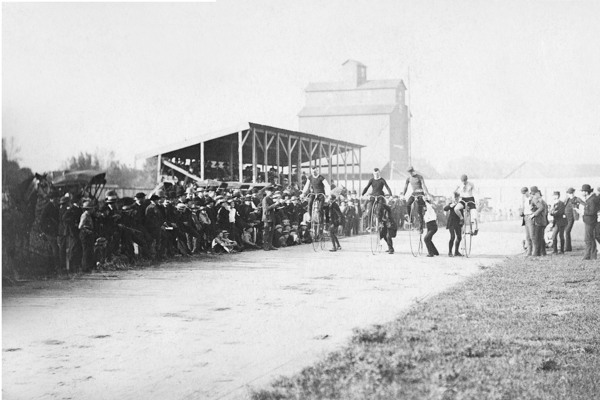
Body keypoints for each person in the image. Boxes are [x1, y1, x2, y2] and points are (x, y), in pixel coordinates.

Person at [402, 166, 430, 231]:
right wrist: (403, 195)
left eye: (411, 172)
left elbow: (424, 185)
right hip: (414, 193)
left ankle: (421, 227)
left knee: (419, 211)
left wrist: (427, 194)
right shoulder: (408, 178)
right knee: (408, 204)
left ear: (413, 171)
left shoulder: (419, 177)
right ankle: (410, 219)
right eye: (409, 173)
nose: (411, 174)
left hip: (420, 193)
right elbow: (405, 187)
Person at [40, 190, 61, 274]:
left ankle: (50, 268)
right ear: (52, 198)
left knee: (51, 249)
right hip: (49, 231)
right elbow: (42, 220)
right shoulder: (48, 207)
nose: (57, 200)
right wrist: (44, 230)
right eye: (56, 198)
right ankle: (56, 267)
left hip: (53, 231)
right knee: (55, 248)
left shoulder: (53, 206)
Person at [579, 184, 600, 260]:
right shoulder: (591, 198)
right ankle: (592, 256)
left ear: (586, 192)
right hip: (590, 220)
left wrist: (582, 213)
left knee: (588, 239)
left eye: (583, 191)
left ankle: (588, 256)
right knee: (590, 238)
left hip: (590, 221)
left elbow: (592, 211)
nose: (582, 193)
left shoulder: (592, 200)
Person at [529, 187, 548, 257]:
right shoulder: (541, 201)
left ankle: (536, 253)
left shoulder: (535, 199)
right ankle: (542, 252)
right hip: (542, 221)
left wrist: (533, 214)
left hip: (539, 221)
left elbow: (541, 208)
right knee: (540, 237)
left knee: (537, 237)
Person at [79, 200, 96, 272]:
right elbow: (80, 226)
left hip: (89, 233)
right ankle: (85, 268)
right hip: (85, 234)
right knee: (86, 251)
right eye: (91, 208)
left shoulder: (88, 215)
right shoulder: (84, 215)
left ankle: (88, 267)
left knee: (89, 251)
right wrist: (87, 230)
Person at [444, 192, 463, 257]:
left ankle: (456, 252)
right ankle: (450, 252)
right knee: (452, 237)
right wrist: (450, 205)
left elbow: (462, 213)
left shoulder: (460, 205)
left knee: (459, 237)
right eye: (455, 198)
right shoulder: (451, 204)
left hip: (458, 222)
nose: (456, 199)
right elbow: (445, 209)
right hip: (451, 222)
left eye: (457, 198)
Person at [564, 187, 582, 252]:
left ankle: (568, 248)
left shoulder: (577, 199)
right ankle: (567, 247)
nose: (570, 194)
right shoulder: (567, 199)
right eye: (569, 193)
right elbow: (563, 206)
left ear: (573, 193)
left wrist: (578, 209)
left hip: (572, 217)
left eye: (571, 193)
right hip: (565, 217)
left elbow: (584, 204)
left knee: (567, 231)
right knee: (566, 231)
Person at [262, 186, 279, 251]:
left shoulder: (270, 199)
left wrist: (277, 206)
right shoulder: (265, 199)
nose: (272, 193)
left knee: (271, 232)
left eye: (272, 192)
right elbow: (266, 209)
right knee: (266, 232)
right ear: (266, 191)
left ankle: (270, 245)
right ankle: (265, 246)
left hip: (271, 217)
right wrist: (274, 205)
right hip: (267, 217)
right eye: (270, 191)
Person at [519, 187, 534, 255]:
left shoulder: (532, 198)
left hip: (530, 217)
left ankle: (533, 250)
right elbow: (522, 208)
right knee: (527, 236)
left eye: (525, 193)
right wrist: (521, 212)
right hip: (525, 217)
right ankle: (529, 250)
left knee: (532, 235)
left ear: (528, 191)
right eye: (523, 194)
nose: (524, 195)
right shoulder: (523, 199)